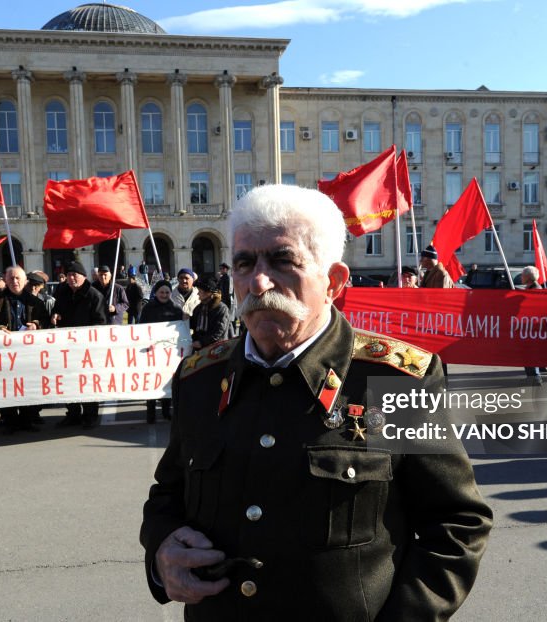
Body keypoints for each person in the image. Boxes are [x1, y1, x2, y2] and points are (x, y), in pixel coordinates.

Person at [140, 184, 491, 620]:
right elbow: (168, 495)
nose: (259, 281)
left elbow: (457, 522)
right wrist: (162, 553)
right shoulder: (200, 378)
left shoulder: (393, 379)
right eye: (245, 262)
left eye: (283, 260)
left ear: (334, 282)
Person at [0, 266, 51, 433]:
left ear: (25, 280)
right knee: (6, 387)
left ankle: (28, 419)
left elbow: (46, 322)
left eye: (18, 278)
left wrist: (36, 324)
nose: (15, 282)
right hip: (3, 355)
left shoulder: (36, 302)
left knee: (27, 386)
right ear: (5, 280)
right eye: (11, 278)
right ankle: (10, 420)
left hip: (28, 354)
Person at [52, 261, 108, 429]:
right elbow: (57, 310)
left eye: (74, 275)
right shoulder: (63, 293)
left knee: (88, 382)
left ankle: (90, 415)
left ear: (83, 276)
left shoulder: (94, 296)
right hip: (66, 348)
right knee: (68, 382)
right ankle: (73, 413)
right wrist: (55, 315)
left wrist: (84, 337)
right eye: (68, 275)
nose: (71, 278)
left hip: (87, 349)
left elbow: (101, 323)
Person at [138, 279, 183, 423]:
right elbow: (141, 328)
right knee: (151, 381)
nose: (164, 294)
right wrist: (147, 343)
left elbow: (179, 331)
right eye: (161, 292)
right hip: (150, 352)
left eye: (167, 292)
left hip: (168, 353)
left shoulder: (176, 309)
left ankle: (166, 410)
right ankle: (150, 412)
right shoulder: (148, 309)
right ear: (156, 293)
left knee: (166, 381)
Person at [189, 275, 232, 351]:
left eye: (200, 291)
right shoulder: (199, 308)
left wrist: (201, 342)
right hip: (202, 350)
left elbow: (218, 331)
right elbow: (193, 325)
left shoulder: (221, 308)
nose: (198, 294)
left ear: (208, 293)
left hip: (218, 350)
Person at [520, 266, 544, 386]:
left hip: (532, 326)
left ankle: (535, 376)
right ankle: (531, 376)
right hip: (527, 326)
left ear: (528, 277)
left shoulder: (536, 289)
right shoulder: (530, 288)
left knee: (531, 352)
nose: (521, 277)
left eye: (522, 275)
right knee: (527, 352)